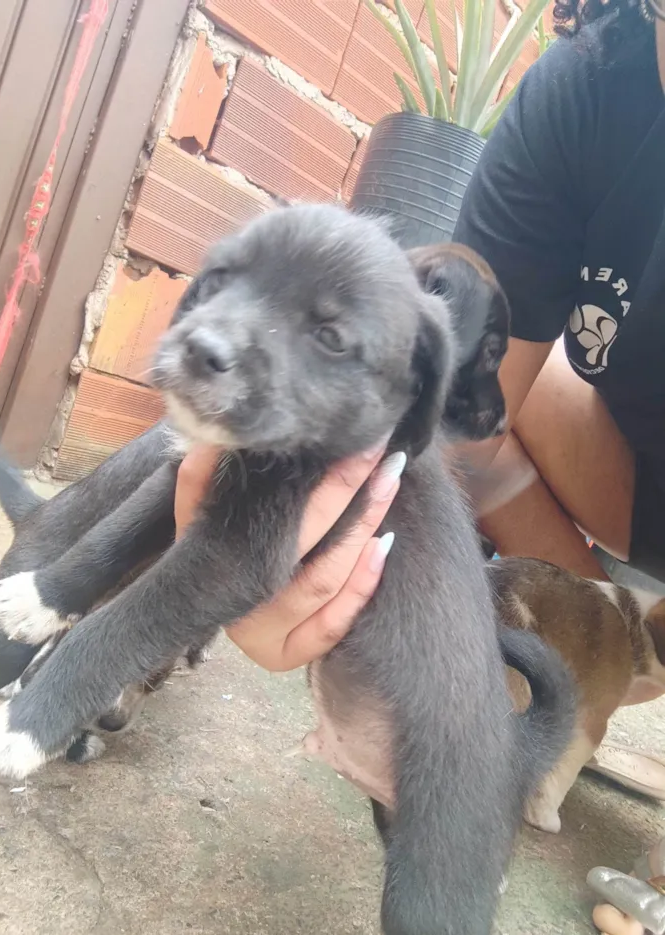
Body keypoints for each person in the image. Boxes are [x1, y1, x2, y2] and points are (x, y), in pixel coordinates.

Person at [174, 0, 665, 929]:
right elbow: (462, 411)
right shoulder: (595, 87)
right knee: (484, 395)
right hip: (637, 474)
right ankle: (605, 621)